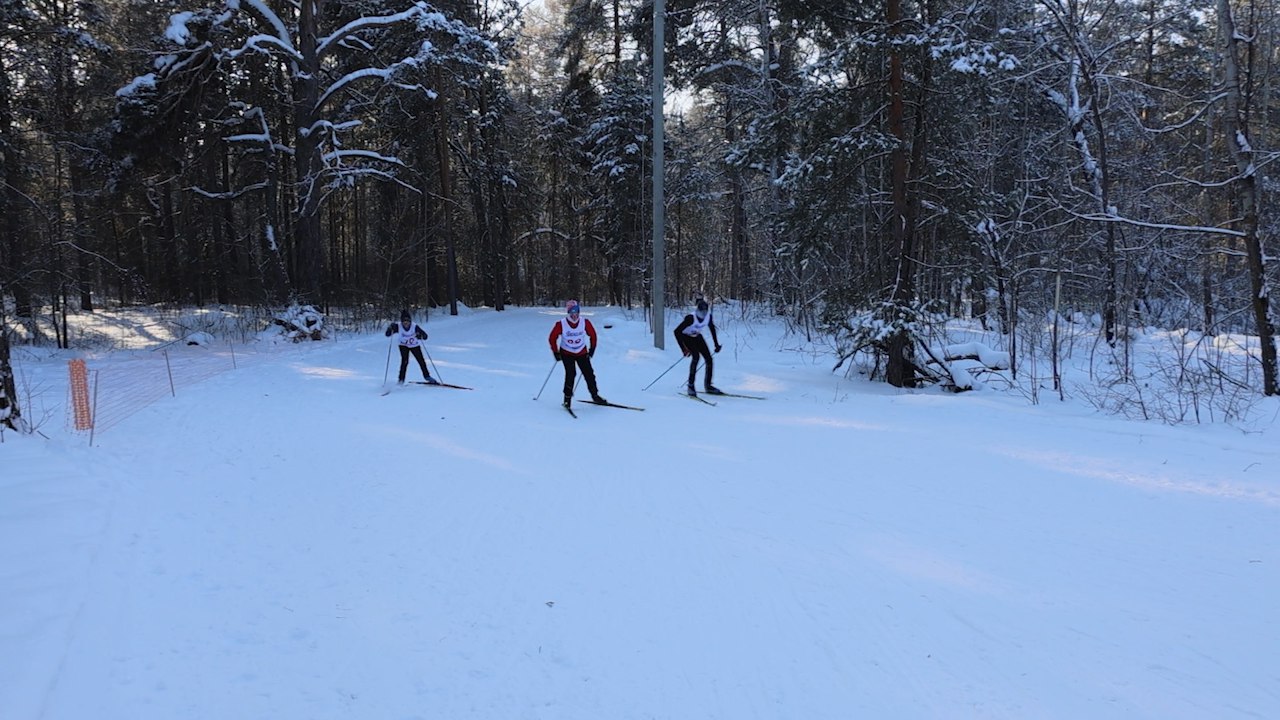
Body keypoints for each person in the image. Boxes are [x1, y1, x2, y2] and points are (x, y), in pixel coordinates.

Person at [548, 299, 606, 408]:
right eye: (572, 312)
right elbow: (552, 338)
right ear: (568, 312)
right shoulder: (561, 324)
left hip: (581, 352)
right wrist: (555, 352)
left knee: (589, 373)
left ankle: (595, 395)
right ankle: (567, 399)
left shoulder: (585, 322)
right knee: (571, 374)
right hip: (566, 352)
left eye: (576, 312)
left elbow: (593, 335)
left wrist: (592, 349)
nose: (574, 315)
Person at [674, 298, 722, 396]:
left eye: (705, 311)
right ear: (697, 310)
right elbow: (677, 332)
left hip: (697, 336)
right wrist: (683, 349)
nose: (703, 314)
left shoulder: (708, 317)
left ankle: (708, 386)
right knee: (696, 357)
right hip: (686, 337)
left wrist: (716, 344)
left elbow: (712, 330)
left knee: (709, 359)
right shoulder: (691, 318)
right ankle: (690, 386)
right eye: (701, 311)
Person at [385, 309, 439, 385]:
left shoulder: (414, 326)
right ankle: (401, 380)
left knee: (421, 361)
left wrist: (420, 336)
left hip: (414, 345)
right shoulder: (398, 326)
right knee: (404, 362)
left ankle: (427, 376)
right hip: (403, 345)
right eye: (404, 321)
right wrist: (390, 328)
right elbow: (387, 335)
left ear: (410, 321)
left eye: (407, 321)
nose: (406, 323)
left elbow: (425, 336)